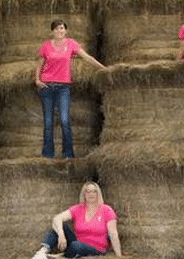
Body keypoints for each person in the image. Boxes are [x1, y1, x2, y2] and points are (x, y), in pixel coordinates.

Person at [35, 19, 105, 159]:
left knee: (64, 120)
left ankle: (68, 154)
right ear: (52, 32)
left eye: (61, 28)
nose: (59, 31)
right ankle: (48, 155)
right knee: (48, 122)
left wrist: (104, 68)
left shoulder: (71, 44)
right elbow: (40, 64)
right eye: (56, 29)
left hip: (63, 88)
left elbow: (87, 58)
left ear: (65, 30)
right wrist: (37, 80)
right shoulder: (46, 45)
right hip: (47, 87)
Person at [30, 181, 122, 259]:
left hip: (96, 249)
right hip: (76, 244)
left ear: (98, 194)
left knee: (75, 246)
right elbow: (57, 218)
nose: (91, 194)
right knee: (60, 227)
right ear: (84, 194)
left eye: (94, 191)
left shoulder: (106, 210)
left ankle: (64, 255)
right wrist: (61, 235)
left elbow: (113, 234)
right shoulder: (78, 208)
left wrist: (119, 256)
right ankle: (42, 252)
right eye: (88, 192)